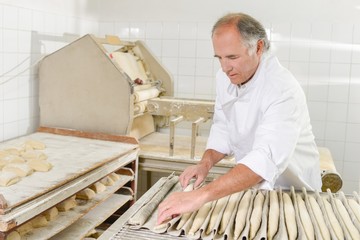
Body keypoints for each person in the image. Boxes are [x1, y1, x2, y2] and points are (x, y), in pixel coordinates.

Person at [157, 12, 321, 224]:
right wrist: (204, 164)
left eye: (233, 57)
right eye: (220, 58)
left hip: (292, 193)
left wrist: (200, 195)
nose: (225, 68)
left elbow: (265, 159)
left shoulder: (282, 89)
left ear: (258, 47)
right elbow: (224, 126)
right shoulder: (225, 78)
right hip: (252, 188)